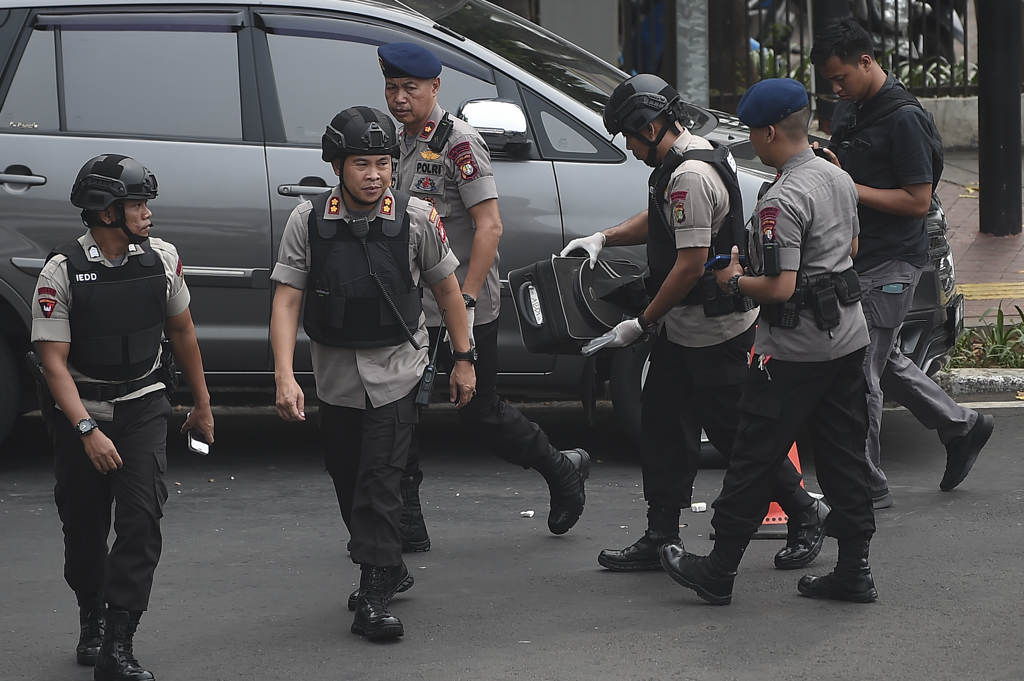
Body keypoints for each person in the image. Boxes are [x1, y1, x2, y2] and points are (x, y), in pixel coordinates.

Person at [562, 74, 828, 574]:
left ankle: (805, 512)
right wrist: (604, 237)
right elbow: (663, 219)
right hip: (685, 331)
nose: (629, 146)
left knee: (737, 439)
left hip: (715, 335)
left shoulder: (690, 176)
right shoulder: (687, 158)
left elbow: (690, 262)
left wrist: (640, 323)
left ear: (651, 126)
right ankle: (660, 533)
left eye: (629, 135)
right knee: (663, 427)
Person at [660, 78, 878, 606]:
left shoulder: (782, 197)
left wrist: (733, 280)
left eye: (753, 133)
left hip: (793, 350)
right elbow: (849, 246)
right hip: (848, 339)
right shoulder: (837, 177)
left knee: (753, 456)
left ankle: (719, 570)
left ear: (771, 132)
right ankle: (854, 569)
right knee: (844, 456)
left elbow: (780, 286)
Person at [270, 106, 476, 641]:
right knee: (346, 477)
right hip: (336, 375)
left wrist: (463, 357)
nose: (375, 175)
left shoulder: (416, 218)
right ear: (338, 165)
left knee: (381, 484)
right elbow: (287, 298)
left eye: (383, 163)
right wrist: (284, 375)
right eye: (362, 163)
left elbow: (448, 292)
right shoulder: (308, 222)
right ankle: (388, 565)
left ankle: (376, 593)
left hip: (398, 371)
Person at [377, 41, 590, 550]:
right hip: (410, 306)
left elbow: (489, 228)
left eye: (410, 88)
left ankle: (560, 470)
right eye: (392, 88)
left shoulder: (460, 145)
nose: (400, 98)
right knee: (397, 409)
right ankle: (407, 522)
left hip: (463, 303)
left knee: (480, 411)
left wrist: (466, 305)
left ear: (435, 87)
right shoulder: (394, 140)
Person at [32, 154, 215, 680]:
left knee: (142, 521)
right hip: (82, 411)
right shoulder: (62, 271)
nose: (147, 213)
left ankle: (118, 640)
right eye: (137, 203)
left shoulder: (161, 259)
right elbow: (52, 363)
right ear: (105, 211)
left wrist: (202, 403)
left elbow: (182, 332)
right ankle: (90, 611)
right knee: (84, 529)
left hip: (143, 405)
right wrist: (86, 431)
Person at [811, 18, 993, 509]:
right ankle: (963, 426)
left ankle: (865, 485)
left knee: (860, 371)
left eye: (841, 78)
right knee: (882, 358)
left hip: (893, 261)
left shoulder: (903, 118)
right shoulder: (856, 109)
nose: (836, 89)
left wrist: (846, 185)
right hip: (859, 256)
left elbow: (917, 201)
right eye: (830, 82)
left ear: (866, 62)